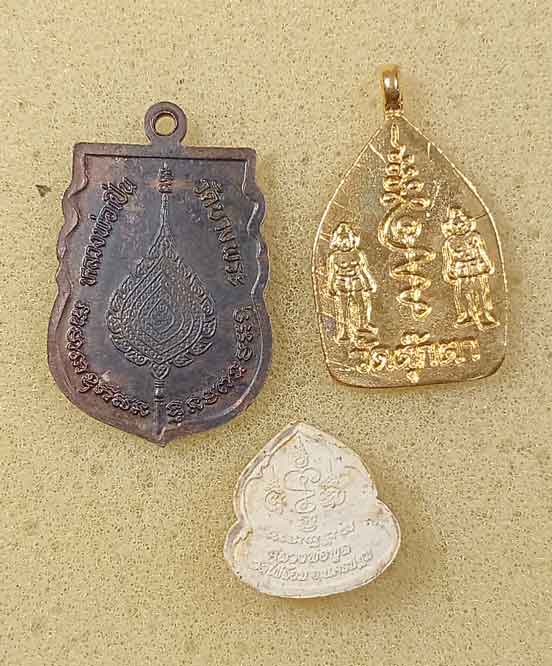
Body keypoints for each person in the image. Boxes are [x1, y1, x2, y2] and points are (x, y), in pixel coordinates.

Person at [441, 207, 498, 330]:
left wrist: (489, 264)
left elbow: (482, 252)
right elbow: (448, 259)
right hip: (460, 271)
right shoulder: (449, 242)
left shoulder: (475, 237)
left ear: (467, 222)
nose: (459, 226)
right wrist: (447, 272)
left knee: (483, 291)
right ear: (449, 226)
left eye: (462, 223)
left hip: (477, 268)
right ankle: (464, 315)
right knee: (460, 294)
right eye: (455, 224)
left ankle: (486, 314)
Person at [327, 223, 378, 343]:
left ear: (352, 240)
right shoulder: (334, 257)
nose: (344, 244)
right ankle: (344, 331)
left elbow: (364, 270)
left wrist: (369, 283)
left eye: (347, 241)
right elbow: (331, 273)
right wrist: (330, 286)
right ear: (336, 242)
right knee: (343, 308)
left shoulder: (358, 254)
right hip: (341, 283)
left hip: (356, 282)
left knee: (362, 304)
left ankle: (363, 325)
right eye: (341, 241)